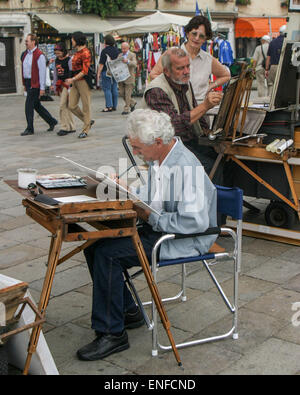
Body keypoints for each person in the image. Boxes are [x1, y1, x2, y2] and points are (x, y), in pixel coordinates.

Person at [76, 109, 218, 361]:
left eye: (139, 148)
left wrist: (149, 215)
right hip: (162, 228)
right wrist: (124, 190)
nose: (137, 153)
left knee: (108, 254)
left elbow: (195, 222)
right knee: (93, 245)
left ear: (159, 142)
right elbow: (154, 196)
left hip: (184, 238)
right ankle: (128, 312)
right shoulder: (161, 158)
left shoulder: (185, 166)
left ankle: (112, 333)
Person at [143, 47, 223, 184]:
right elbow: (173, 126)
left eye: (187, 66)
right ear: (167, 71)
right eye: (180, 68)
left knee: (222, 157)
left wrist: (210, 134)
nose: (186, 72)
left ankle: (226, 199)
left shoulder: (184, 83)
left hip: (183, 142)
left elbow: (195, 112)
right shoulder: (156, 90)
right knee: (210, 167)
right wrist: (205, 106)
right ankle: (208, 202)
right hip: (163, 147)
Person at [150, 15, 230, 104]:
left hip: (201, 110)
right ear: (187, 33)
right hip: (176, 107)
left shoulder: (208, 59)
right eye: (194, 34)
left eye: (201, 36)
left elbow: (226, 75)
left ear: (205, 39)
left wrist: (211, 86)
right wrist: (170, 87)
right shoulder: (172, 53)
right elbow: (154, 74)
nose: (197, 38)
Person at [21, 34, 58, 136]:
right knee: (36, 105)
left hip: (35, 83)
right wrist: (24, 83)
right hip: (28, 82)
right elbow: (25, 70)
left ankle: (30, 128)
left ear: (33, 42)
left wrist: (42, 88)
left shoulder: (39, 55)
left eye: (27, 41)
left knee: (28, 105)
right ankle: (51, 121)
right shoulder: (25, 54)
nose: (25, 43)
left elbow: (42, 72)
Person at [65, 31, 93, 139]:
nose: (71, 41)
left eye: (72, 40)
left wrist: (73, 79)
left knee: (86, 106)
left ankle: (85, 129)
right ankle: (87, 121)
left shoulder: (85, 52)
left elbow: (85, 70)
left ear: (77, 40)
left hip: (83, 81)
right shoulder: (76, 52)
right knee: (71, 105)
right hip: (75, 80)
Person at [52, 43, 75, 136]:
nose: (57, 55)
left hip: (67, 84)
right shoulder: (56, 60)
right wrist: (54, 86)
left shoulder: (69, 60)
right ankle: (71, 126)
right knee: (66, 105)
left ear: (63, 51)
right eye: (56, 53)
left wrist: (71, 86)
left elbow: (71, 72)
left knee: (62, 105)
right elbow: (55, 74)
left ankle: (64, 127)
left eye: (59, 53)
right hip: (60, 84)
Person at [97, 35, 119, 112]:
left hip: (106, 72)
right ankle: (114, 105)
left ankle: (109, 106)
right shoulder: (117, 50)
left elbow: (101, 64)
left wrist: (98, 73)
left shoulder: (104, 51)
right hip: (115, 71)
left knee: (107, 89)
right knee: (114, 88)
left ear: (106, 41)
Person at [265, 25, 286, 96]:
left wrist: (266, 69)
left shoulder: (272, 42)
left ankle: (269, 100)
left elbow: (268, 57)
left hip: (273, 67)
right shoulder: (286, 42)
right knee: (282, 86)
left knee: (271, 85)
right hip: (283, 67)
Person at [118, 42, 137, 115]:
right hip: (121, 77)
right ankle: (132, 102)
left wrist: (128, 61)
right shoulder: (120, 55)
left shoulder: (132, 55)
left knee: (127, 94)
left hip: (129, 77)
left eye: (124, 49)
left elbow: (135, 64)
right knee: (122, 93)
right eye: (122, 48)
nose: (123, 50)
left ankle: (126, 109)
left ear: (128, 48)